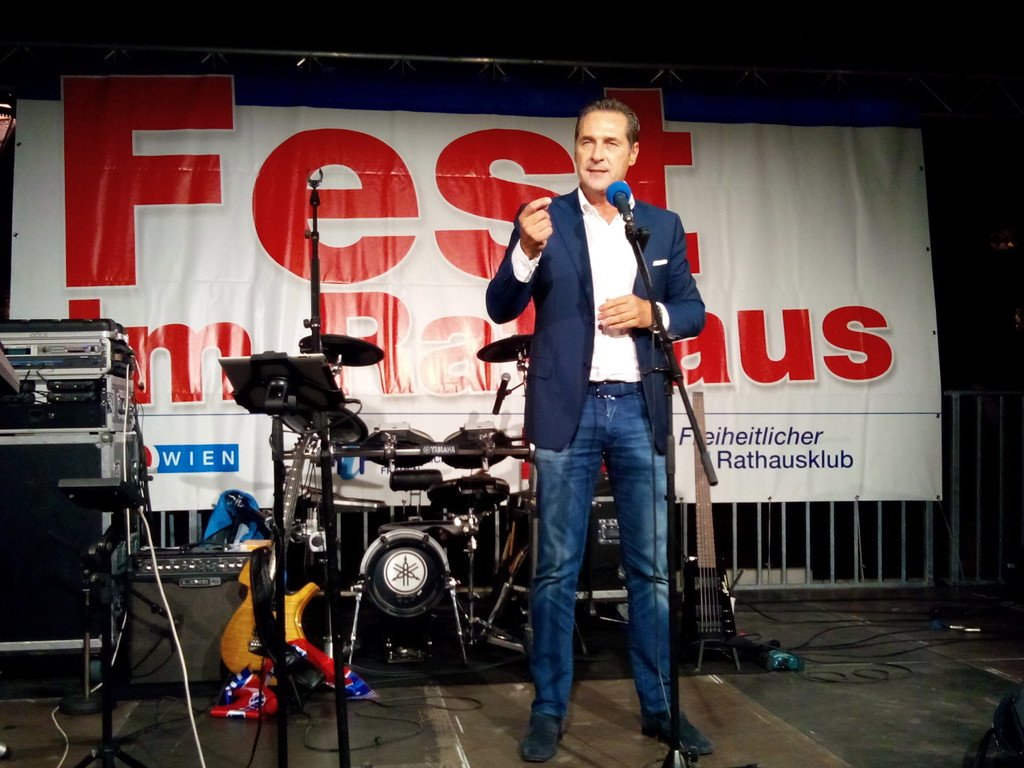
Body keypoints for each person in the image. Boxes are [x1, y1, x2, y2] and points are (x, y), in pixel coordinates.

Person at [485, 97, 711, 762]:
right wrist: (525, 252)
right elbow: (500, 305)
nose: (597, 153)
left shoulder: (660, 226)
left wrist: (650, 313)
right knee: (556, 569)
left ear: (633, 154)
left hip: (640, 409)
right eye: (587, 141)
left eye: (611, 142)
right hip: (569, 408)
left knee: (651, 571)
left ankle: (660, 707)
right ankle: (549, 709)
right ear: (574, 148)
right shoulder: (543, 219)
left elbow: (692, 311)